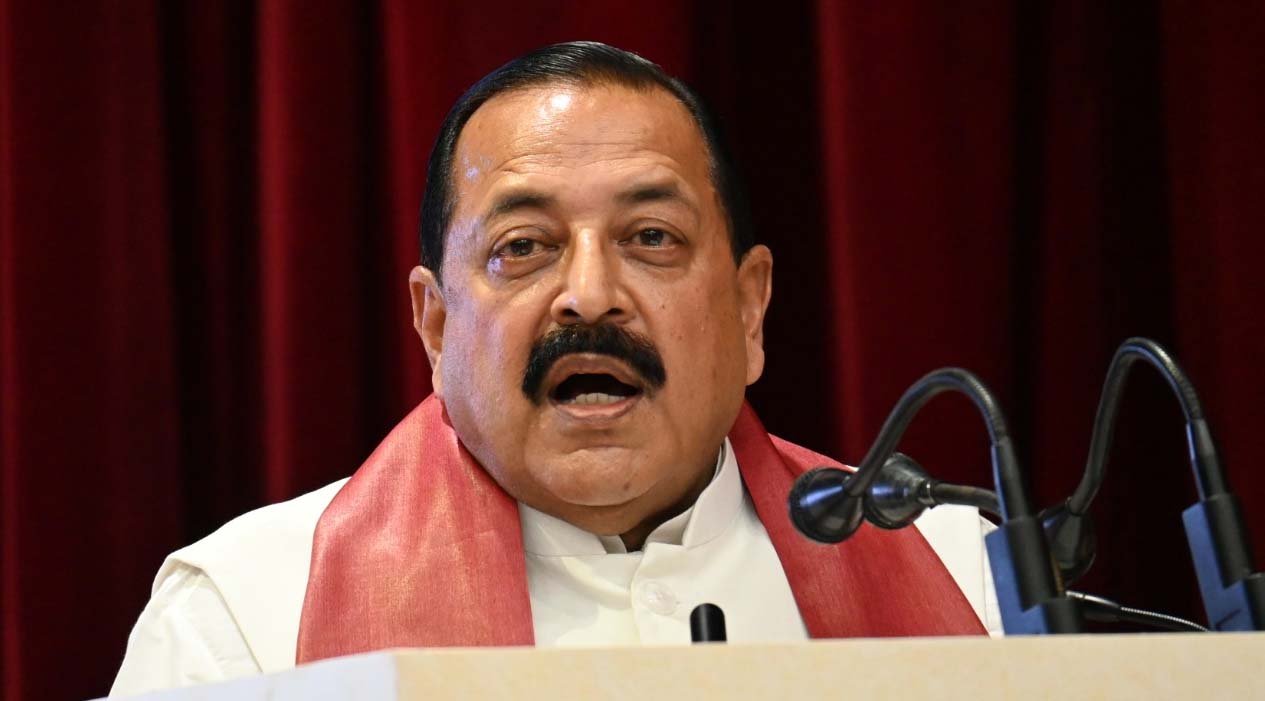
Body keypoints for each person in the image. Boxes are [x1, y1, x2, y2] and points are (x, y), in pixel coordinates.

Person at [111, 41, 1000, 696]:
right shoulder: (245, 616)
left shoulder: (964, 573)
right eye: (523, 246)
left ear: (747, 307)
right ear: (434, 325)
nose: (590, 295)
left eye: (651, 237)